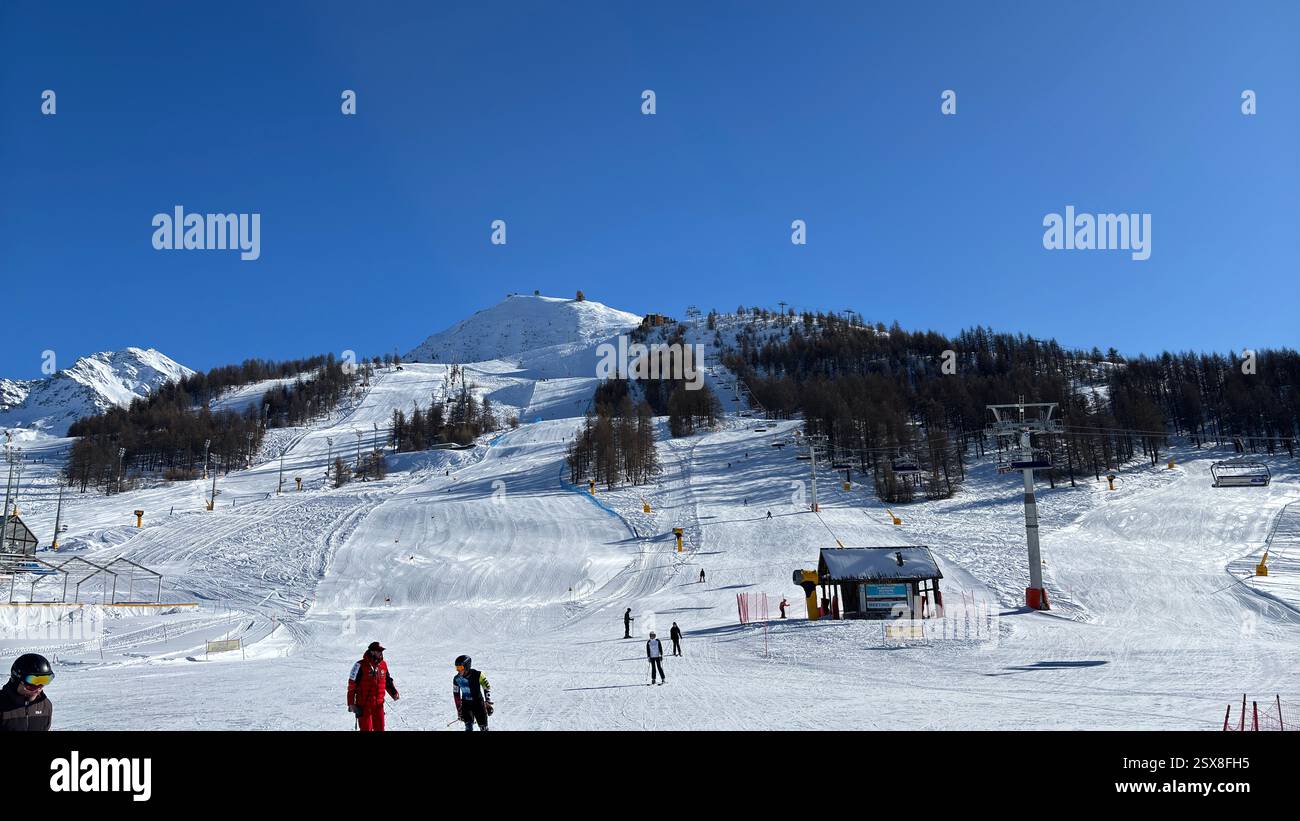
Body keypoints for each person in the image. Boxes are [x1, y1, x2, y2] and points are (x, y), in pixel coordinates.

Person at [347, 641, 399, 731]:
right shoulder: (359, 665)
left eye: (381, 651)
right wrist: (351, 703)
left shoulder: (383, 665)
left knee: (380, 728)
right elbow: (352, 686)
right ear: (372, 652)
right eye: (378, 651)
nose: (380, 653)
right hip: (364, 706)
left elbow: (387, 681)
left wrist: (394, 693)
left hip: (379, 706)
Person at [1, 653, 54, 732]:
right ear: (16, 680)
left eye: (45, 680)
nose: (39, 687)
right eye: (33, 681)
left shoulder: (45, 706)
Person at [453, 655, 492, 731]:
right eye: (457, 668)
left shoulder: (478, 675)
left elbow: (486, 686)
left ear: (467, 666)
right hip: (466, 705)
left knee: (484, 728)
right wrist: (459, 709)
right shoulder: (456, 679)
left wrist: (488, 701)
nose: (458, 670)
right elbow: (456, 695)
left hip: (478, 704)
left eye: (460, 668)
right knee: (468, 728)